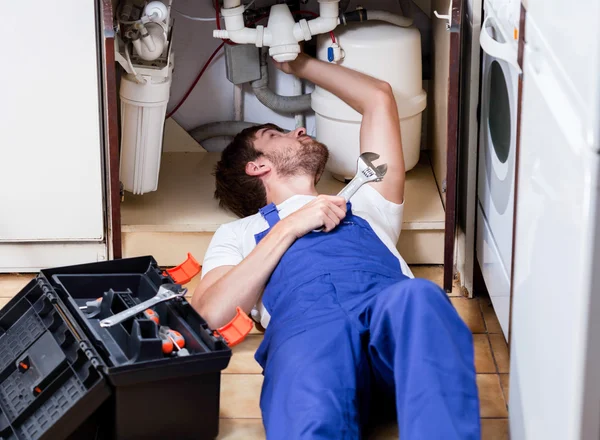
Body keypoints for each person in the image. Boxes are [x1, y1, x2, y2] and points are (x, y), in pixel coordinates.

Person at [191, 52, 480, 439]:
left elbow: (378, 96)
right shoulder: (239, 233)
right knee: (308, 400)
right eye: (276, 135)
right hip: (309, 336)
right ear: (258, 166)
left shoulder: (364, 197)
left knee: (420, 298)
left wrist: (300, 65)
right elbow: (208, 314)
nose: (297, 130)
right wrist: (289, 227)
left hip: (387, 321)